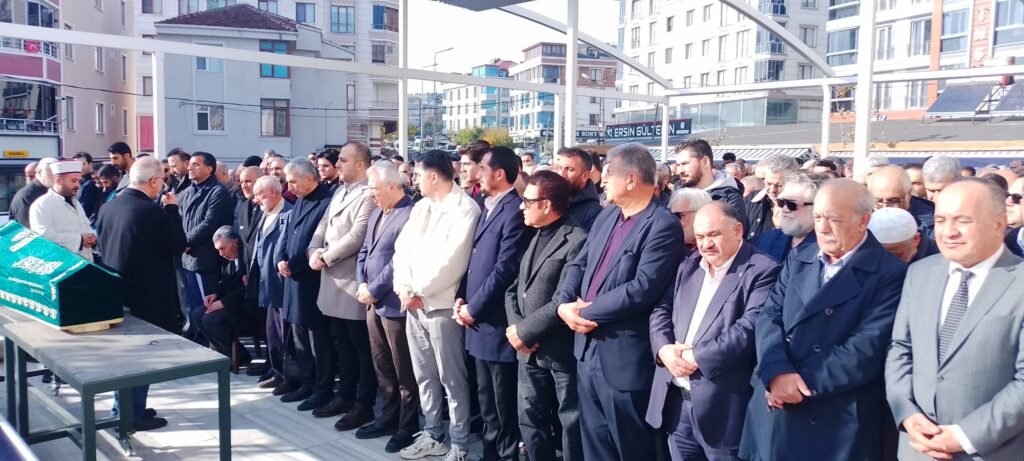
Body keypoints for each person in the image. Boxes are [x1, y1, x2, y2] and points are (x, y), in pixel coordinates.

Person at [740, 179, 908, 461]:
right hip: (774, 409)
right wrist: (775, 372)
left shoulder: (890, 273)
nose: (823, 228)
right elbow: (770, 316)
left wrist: (795, 385)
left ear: (863, 221)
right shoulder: (800, 257)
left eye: (834, 219)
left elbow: (865, 348)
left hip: (832, 417)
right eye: (818, 217)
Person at [555, 143, 685, 461]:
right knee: (594, 445)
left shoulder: (662, 224)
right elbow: (580, 264)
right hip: (587, 351)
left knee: (630, 448)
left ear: (630, 179)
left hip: (624, 359)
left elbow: (641, 288)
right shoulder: (608, 215)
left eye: (608, 173)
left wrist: (586, 311)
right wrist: (563, 304)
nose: (601, 181)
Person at [887, 177, 1024, 461]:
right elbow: (900, 347)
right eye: (940, 220)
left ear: (999, 224)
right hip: (918, 449)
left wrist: (965, 436)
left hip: (992, 451)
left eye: (963, 220)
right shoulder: (920, 273)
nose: (949, 232)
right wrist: (907, 413)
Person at [647, 202, 781, 461]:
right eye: (700, 237)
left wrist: (694, 357)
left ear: (738, 230)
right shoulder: (688, 264)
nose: (705, 244)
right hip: (676, 404)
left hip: (723, 410)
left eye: (713, 235)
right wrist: (663, 349)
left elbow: (749, 329)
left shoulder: (763, 270)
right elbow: (661, 308)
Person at [391, 149, 480, 461]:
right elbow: (401, 251)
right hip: (413, 303)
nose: (413, 179)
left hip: (441, 305)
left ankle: (459, 443)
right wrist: (404, 289)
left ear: (432, 176)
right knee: (424, 375)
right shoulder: (421, 207)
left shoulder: (465, 209)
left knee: (451, 378)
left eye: (417, 174)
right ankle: (432, 434)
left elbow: (453, 262)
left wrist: (419, 290)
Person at [95, 156, 186, 432]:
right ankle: (130, 414)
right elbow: (177, 244)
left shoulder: (109, 207)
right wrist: (173, 210)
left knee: (124, 358)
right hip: (147, 296)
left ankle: (125, 408)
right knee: (140, 357)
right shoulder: (150, 211)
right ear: (155, 181)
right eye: (162, 181)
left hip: (117, 292)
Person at [455, 146, 532, 461]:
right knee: (486, 400)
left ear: (500, 174)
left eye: (483, 168)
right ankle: (490, 452)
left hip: (495, 322)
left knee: (502, 403)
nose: (476, 174)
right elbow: (474, 262)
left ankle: (504, 455)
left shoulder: (514, 211)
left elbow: (504, 270)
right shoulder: (487, 207)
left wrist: (474, 308)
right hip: (477, 320)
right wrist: (462, 298)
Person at [505, 171, 587, 461]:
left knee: (570, 422)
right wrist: (517, 330)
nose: (521, 206)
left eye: (527, 201)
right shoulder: (535, 235)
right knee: (529, 418)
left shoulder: (577, 239)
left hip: (558, 351)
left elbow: (562, 300)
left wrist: (525, 332)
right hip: (527, 351)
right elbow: (515, 289)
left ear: (547, 204)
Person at [307, 141, 379, 426]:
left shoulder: (368, 193)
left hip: (351, 281)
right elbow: (323, 225)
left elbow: (358, 235)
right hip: (331, 279)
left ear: (360, 165)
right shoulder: (340, 191)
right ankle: (345, 395)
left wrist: (326, 256)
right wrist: (313, 250)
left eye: (343, 161)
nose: (337, 165)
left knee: (361, 348)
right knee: (343, 345)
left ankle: (364, 404)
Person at [354, 161, 419, 453]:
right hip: (372, 302)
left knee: (404, 369)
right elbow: (364, 252)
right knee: (382, 365)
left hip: (394, 303)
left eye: (374, 188)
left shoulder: (410, 214)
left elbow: (398, 261)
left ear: (392, 186)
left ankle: (408, 425)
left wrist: (374, 288)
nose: (371, 194)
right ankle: (389, 416)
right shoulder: (377, 211)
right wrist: (361, 284)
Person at [274, 159, 335, 404]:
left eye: (293, 181)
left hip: (312, 281)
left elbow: (317, 242)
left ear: (309, 178)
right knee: (299, 336)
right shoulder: (299, 200)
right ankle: (306, 382)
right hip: (294, 280)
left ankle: (322, 389)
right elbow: (288, 234)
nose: (289, 187)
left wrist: (294, 265)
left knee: (317, 340)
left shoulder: (326, 202)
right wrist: (281, 259)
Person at [179, 152, 235, 345]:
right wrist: (181, 240)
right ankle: (199, 340)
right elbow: (181, 218)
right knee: (194, 306)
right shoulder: (189, 190)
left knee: (206, 306)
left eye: (196, 164)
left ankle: (210, 345)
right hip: (188, 257)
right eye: (190, 164)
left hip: (204, 258)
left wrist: (186, 241)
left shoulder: (217, 192)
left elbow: (210, 223)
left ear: (209, 168)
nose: (190, 168)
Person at [248, 176, 292, 390]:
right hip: (266, 283)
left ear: (273, 192)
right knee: (272, 332)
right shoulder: (266, 213)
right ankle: (276, 371)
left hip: (281, 283)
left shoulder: (288, 213)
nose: (255, 199)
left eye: (259, 194)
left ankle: (288, 376)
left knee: (284, 333)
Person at [200, 226, 253, 362]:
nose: (220, 253)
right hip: (229, 300)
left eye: (223, 248)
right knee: (196, 315)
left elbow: (246, 289)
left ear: (235, 242)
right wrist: (215, 294)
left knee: (210, 320)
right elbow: (225, 282)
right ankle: (223, 354)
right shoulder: (227, 259)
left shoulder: (248, 258)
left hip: (244, 305)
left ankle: (239, 357)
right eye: (218, 250)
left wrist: (223, 303)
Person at [29, 160, 95, 262]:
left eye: (79, 181)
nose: (78, 185)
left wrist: (92, 237)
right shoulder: (41, 205)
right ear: (58, 180)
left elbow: (86, 226)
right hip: (62, 265)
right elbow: (43, 237)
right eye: (73, 181)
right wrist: (80, 240)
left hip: (85, 262)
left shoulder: (76, 203)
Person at [675, 139, 748, 231]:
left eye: (685, 164)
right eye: (678, 165)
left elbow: (732, 236)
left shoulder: (729, 198)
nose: (680, 170)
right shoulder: (676, 194)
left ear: (705, 162)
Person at [751, 172, 820, 263]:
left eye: (791, 204)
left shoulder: (826, 251)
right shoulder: (764, 240)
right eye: (781, 202)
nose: (784, 209)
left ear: (816, 207)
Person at [868, 165, 935, 238]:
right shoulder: (863, 218)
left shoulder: (931, 222)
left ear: (909, 194)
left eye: (893, 201)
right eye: (878, 201)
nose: (885, 207)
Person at [745, 155, 799, 241]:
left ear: (794, 183)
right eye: (769, 183)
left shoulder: (802, 206)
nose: (772, 190)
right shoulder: (751, 199)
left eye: (779, 185)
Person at [555, 147, 603, 231]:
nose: (561, 174)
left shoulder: (594, 212)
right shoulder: (550, 201)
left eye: (570, 169)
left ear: (585, 176)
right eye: (560, 168)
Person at [868, 207, 940, 264]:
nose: (889, 262)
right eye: (880, 256)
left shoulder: (940, 258)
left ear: (916, 239)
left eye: (898, 255)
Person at [10, 157, 56, 227]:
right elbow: (28, 228)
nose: (55, 176)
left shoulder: (54, 191)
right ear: (39, 172)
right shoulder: (26, 195)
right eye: (50, 172)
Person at [74, 152, 101, 222]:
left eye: (83, 164)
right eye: (76, 164)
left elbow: (86, 209)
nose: (80, 167)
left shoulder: (91, 183)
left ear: (90, 164)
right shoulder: (80, 182)